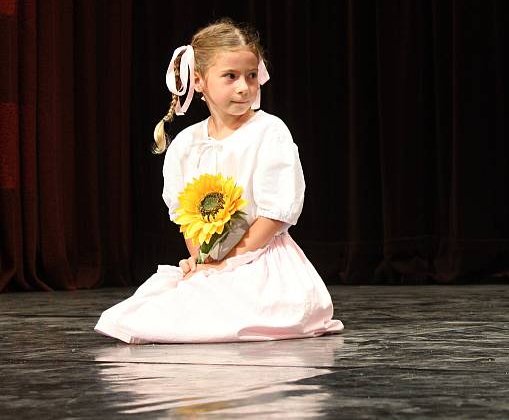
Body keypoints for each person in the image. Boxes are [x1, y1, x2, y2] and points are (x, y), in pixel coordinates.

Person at [95, 19, 343, 343]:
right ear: (199, 80)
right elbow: (188, 218)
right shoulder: (187, 144)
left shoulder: (269, 132)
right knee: (147, 315)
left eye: (251, 76)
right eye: (231, 76)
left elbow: (273, 215)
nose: (244, 87)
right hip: (215, 257)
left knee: (236, 312)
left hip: (261, 255)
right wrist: (202, 260)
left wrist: (227, 262)